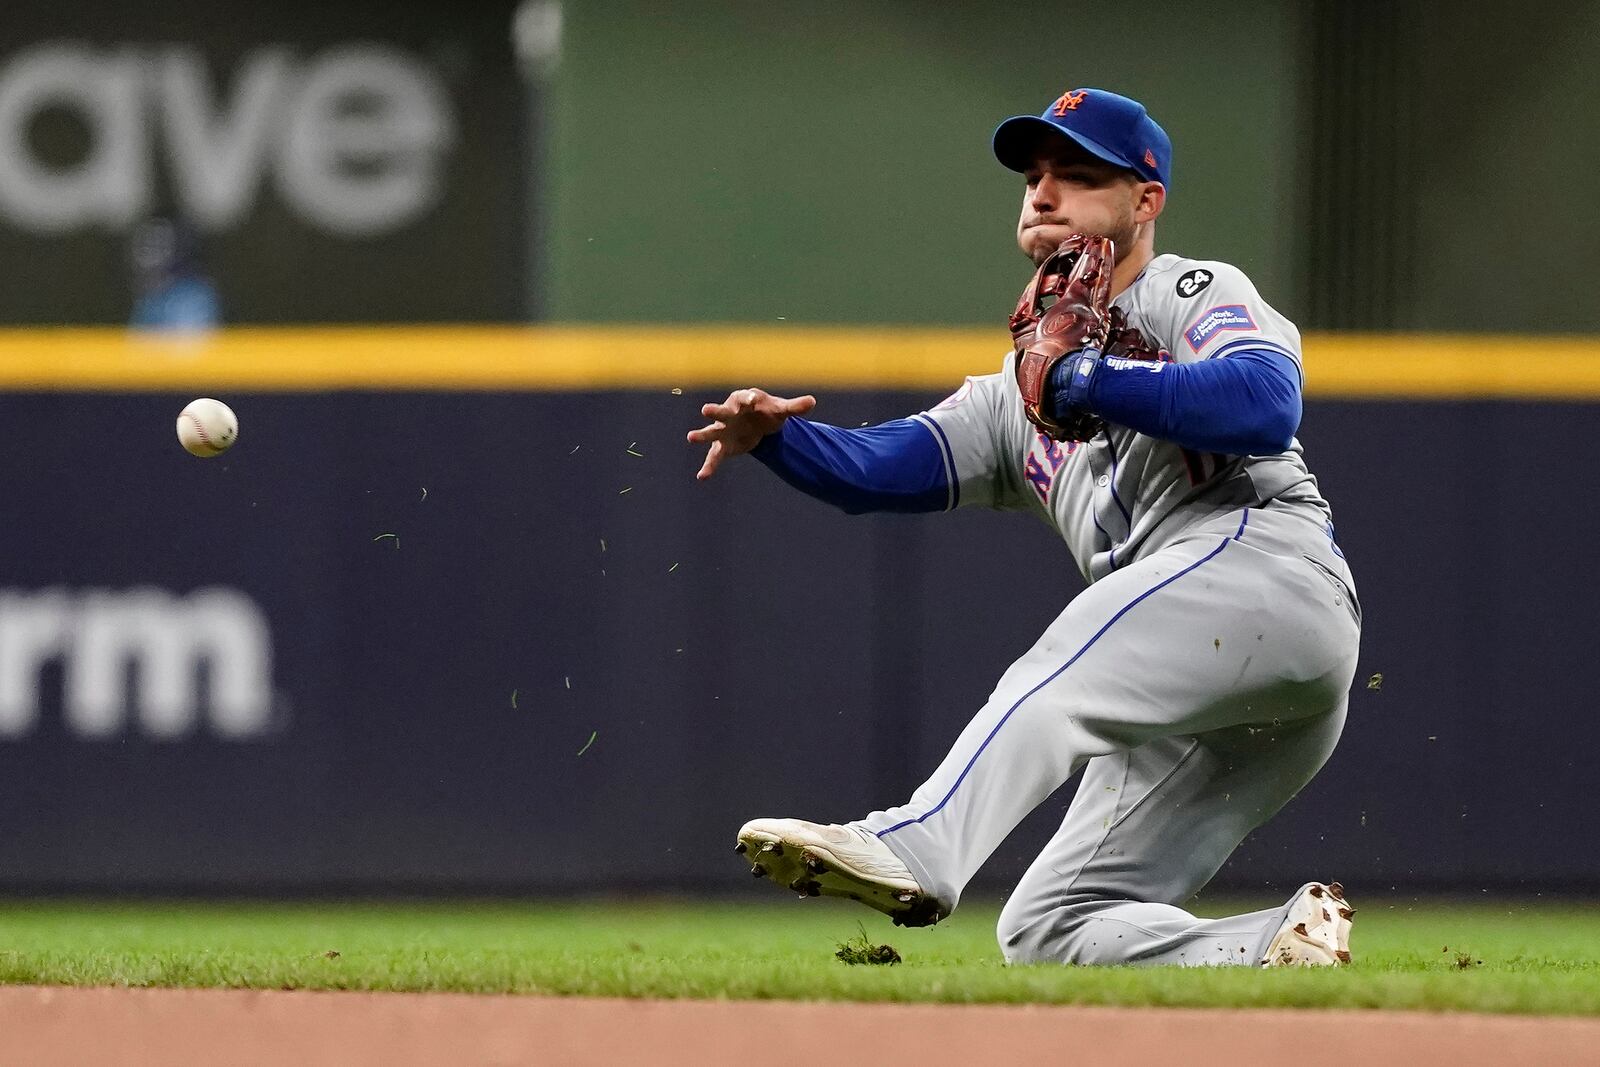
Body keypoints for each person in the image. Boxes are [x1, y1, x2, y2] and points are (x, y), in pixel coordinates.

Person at [687, 87, 1360, 967]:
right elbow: (884, 469)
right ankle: (1277, 949)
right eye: (1035, 176)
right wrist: (781, 439)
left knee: (1063, 666)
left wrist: (1089, 381)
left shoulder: (1186, 290)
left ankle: (919, 845)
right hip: (1227, 683)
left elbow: (1267, 403)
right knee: (1051, 928)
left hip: (1268, 568)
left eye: (1078, 177)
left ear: (1144, 202)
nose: (1045, 193)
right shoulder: (1017, 394)